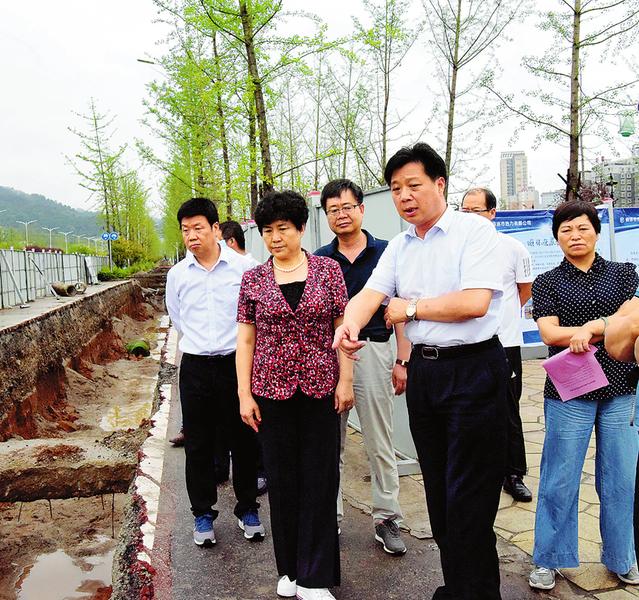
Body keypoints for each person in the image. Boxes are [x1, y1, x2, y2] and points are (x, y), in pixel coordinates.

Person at [334, 143, 509, 600]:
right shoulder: (400, 245)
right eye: (396, 189)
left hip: (474, 371)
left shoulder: (474, 231)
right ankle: (457, 588)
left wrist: (409, 308)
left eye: (413, 185)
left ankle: (476, 594)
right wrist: (349, 326)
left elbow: (475, 302)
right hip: (426, 376)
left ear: (440, 184)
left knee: (469, 499)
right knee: (439, 493)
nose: (404, 196)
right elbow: (370, 295)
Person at [236, 190, 353, 600]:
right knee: (282, 479)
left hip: (321, 387)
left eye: (283, 228)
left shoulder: (327, 271)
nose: (274, 238)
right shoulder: (253, 279)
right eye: (267, 230)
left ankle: (315, 576)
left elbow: (343, 330)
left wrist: (346, 380)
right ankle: (289, 569)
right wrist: (244, 394)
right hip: (271, 390)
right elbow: (245, 340)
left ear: (301, 228)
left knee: (320, 478)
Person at [528, 200, 639, 590]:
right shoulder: (547, 282)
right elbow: (549, 333)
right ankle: (548, 559)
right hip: (569, 392)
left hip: (620, 387)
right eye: (566, 230)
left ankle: (622, 557)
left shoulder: (624, 274)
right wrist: (601, 329)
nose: (575, 236)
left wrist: (588, 328)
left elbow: (632, 317)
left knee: (621, 478)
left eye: (582, 228)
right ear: (556, 237)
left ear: (596, 231)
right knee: (559, 478)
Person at [316, 178, 410, 554]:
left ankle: (386, 517)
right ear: (326, 216)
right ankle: (330, 516)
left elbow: (400, 311)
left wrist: (402, 359)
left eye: (347, 207)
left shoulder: (387, 252)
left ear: (361, 208)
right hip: (330, 354)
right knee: (329, 443)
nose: (341, 215)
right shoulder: (320, 260)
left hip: (374, 350)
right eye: (333, 210)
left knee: (379, 440)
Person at [165, 197, 265, 547]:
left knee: (244, 439)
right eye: (185, 230)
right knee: (198, 444)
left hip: (235, 365)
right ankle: (203, 513)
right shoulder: (178, 275)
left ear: (215, 229)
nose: (191, 236)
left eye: (198, 228)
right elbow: (178, 317)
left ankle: (248, 508)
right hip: (195, 367)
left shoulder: (244, 268)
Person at [461, 187, 534, 502]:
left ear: (492, 213)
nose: (469, 216)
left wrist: (502, 318)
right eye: (464, 211)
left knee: (508, 409)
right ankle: (478, 472)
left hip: (504, 343)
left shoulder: (512, 248)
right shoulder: (456, 248)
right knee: (468, 411)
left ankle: (513, 473)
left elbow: (524, 291)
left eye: (476, 210)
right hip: (465, 345)